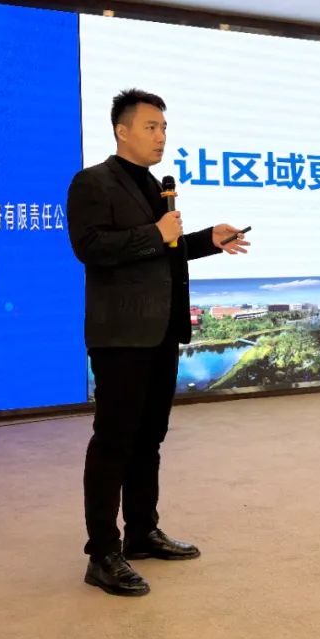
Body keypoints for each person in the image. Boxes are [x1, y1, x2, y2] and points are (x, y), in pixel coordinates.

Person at [66, 88, 249, 597]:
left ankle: (142, 532)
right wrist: (156, 231)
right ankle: (103, 553)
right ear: (122, 130)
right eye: (151, 127)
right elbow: (89, 247)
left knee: (149, 438)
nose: (161, 136)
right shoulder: (93, 182)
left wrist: (207, 239)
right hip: (122, 334)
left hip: (162, 330)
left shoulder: (154, 187)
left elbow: (163, 249)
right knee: (114, 441)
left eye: (164, 127)